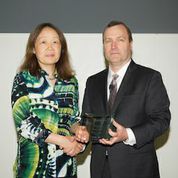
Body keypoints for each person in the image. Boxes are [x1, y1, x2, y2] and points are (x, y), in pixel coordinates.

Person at [80, 21, 171, 178]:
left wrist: (127, 134)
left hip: (138, 170)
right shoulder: (92, 81)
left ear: (130, 44)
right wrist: (79, 140)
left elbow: (162, 120)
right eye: (108, 41)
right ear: (103, 46)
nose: (113, 46)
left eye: (120, 39)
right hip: (100, 169)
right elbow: (86, 122)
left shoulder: (150, 78)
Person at [11, 23, 88, 178]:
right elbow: (24, 123)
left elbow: (72, 119)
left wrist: (80, 135)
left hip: (65, 166)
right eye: (43, 42)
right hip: (32, 168)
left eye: (55, 42)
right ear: (33, 48)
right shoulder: (23, 79)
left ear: (62, 48)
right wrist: (63, 141)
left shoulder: (70, 82)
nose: (50, 47)